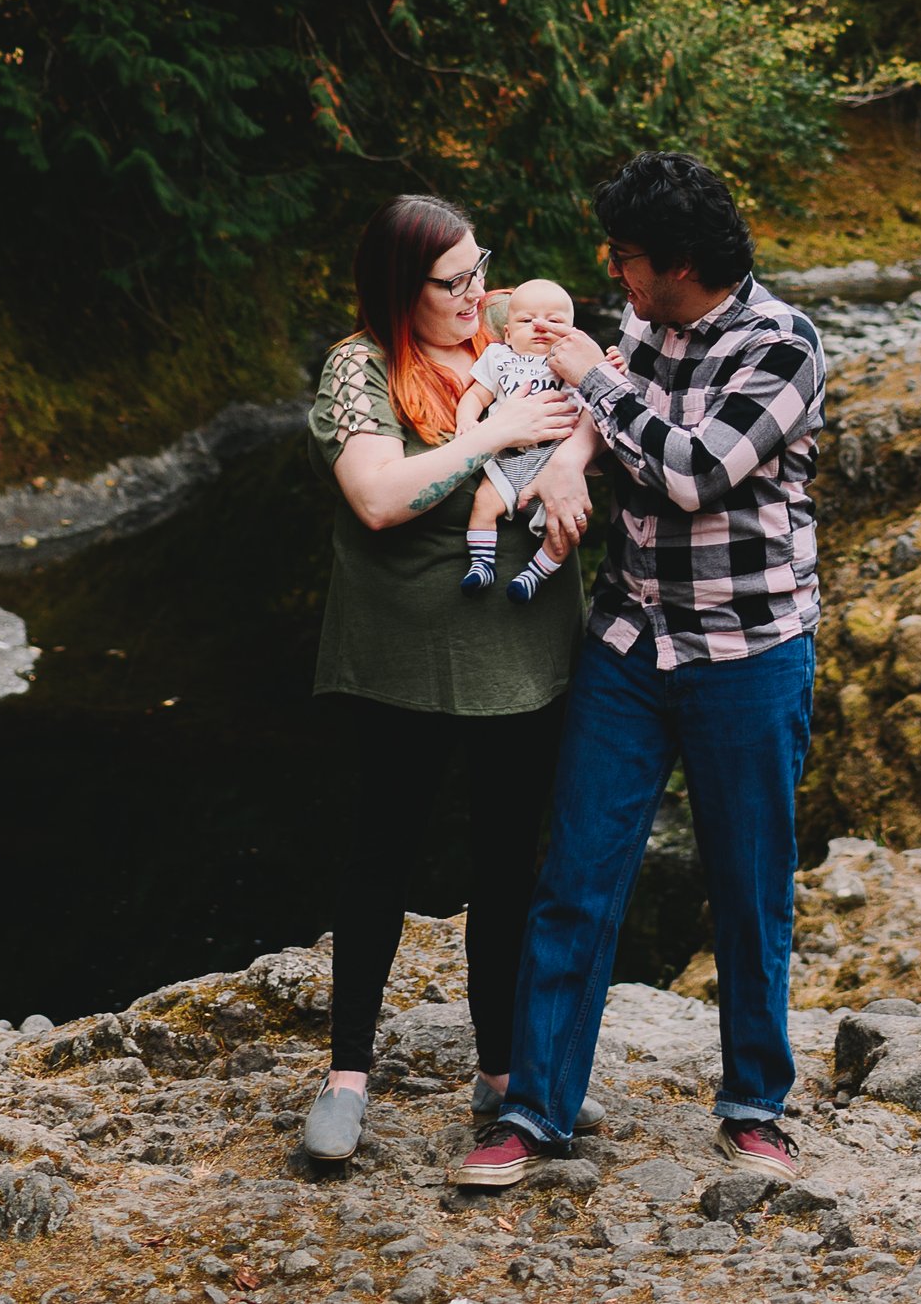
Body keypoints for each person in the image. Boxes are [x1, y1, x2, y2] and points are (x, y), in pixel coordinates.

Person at [450, 148, 826, 1192]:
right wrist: (570, 458)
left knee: (748, 888)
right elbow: (600, 438)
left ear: (675, 262)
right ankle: (533, 1110)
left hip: (747, 651)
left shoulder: (782, 344)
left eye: (624, 258)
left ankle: (754, 1105)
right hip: (627, 638)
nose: (611, 273)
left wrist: (593, 380)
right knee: (575, 874)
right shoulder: (636, 331)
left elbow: (693, 470)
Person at [301, 195, 597, 1169]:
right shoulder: (361, 364)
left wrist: (568, 464)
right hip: (403, 652)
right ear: (399, 288)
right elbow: (380, 495)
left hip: (521, 644)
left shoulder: (516, 323)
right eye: (452, 281)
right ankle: (348, 1074)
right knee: (380, 852)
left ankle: (504, 1076)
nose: (477, 294)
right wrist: (491, 434)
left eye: (481, 269)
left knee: (510, 864)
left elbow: (607, 387)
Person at [461, 277, 583, 600]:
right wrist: (467, 421)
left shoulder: (570, 364)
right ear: (508, 333)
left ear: (572, 333)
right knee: (484, 502)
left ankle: (534, 575)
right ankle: (482, 564)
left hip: (552, 464)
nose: (540, 326)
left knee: (566, 526)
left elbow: (598, 395)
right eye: (527, 321)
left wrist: (606, 365)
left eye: (554, 321)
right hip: (507, 459)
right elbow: (476, 395)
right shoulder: (498, 357)